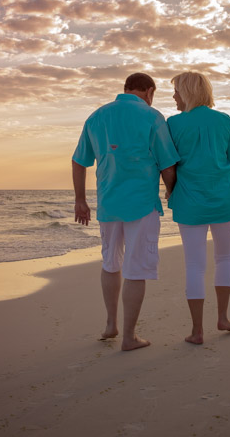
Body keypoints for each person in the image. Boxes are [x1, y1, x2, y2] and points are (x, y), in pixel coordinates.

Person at [72, 73, 179, 351]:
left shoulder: (97, 116)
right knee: (136, 268)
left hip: (108, 204)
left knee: (110, 263)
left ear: (125, 89)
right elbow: (167, 164)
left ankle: (111, 324)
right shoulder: (152, 116)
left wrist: (80, 200)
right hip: (142, 204)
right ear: (149, 91)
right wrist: (171, 192)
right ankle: (130, 337)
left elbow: (78, 161)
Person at [166, 71, 230, 345]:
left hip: (189, 202)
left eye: (176, 91)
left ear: (186, 92)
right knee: (224, 258)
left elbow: (169, 165)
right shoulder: (223, 120)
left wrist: (169, 191)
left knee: (194, 265)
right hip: (224, 198)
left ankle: (197, 331)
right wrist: (229, 192)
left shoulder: (173, 124)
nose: (174, 96)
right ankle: (223, 318)